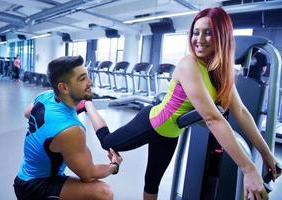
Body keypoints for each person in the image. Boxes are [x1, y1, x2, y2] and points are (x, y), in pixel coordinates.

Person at [80, 7, 280, 200]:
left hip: (172, 132)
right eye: (196, 32)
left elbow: (242, 112)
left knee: (153, 180)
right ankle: (88, 105)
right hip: (151, 123)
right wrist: (248, 168)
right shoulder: (189, 64)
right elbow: (212, 119)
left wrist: (267, 155)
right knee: (107, 142)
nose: (199, 40)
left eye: (208, 33)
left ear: (222, 36)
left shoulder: (220, 71)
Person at [13, 55, 123, 200]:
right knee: (103, 192)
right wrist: (114, 165)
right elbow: (88, 175)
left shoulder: (45, 96)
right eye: (82, 79)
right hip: (34, 186)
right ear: (63, 87)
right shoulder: (70, 130)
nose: (90, 82)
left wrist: (86, 105)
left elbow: (27, 113)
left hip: (26, 175)